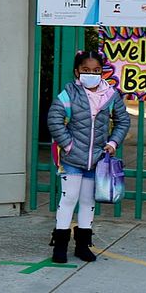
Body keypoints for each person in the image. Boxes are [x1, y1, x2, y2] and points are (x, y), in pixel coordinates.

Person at [47, 50, 131, 264]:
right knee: (68, 199)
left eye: (96, 70)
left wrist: (112, 143)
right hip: (72, 159)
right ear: (77, 72)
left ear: (102, 72)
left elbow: (123, 121)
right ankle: (60, 246)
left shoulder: (111, 95)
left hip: (97, 161)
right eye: (86, 70)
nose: (91, 74)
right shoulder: (68, 94)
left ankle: (83, 246)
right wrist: (68, 144)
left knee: (87, 201)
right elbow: (54, 120)